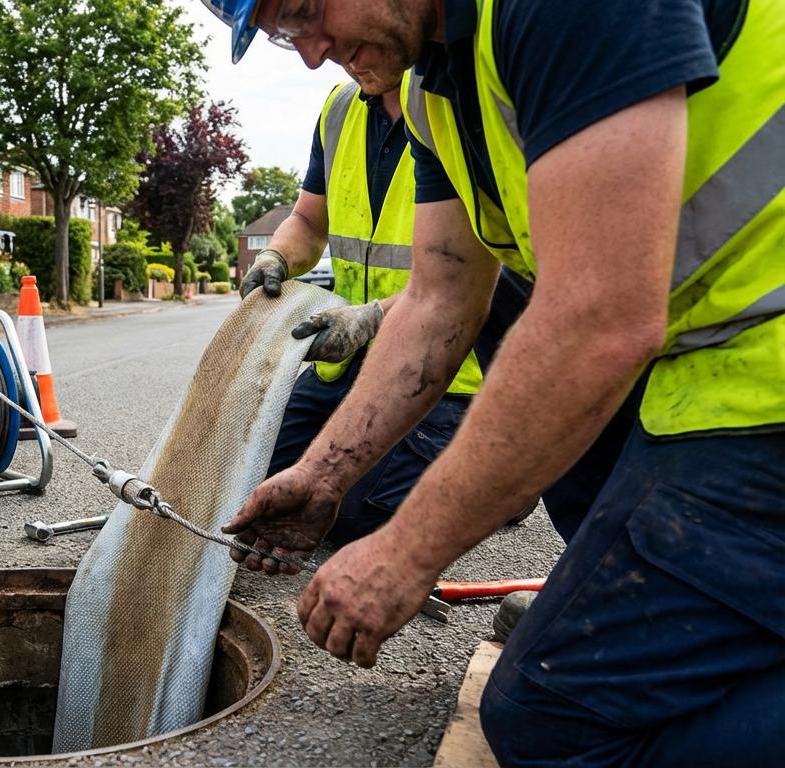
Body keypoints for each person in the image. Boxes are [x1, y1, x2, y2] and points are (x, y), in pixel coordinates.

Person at [202, 0, 785, 764]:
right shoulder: (435, 82)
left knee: (550, 723)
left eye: (306, 11)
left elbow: (598, 319)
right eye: (282, 36)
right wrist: (324, 477)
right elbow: (442, 297)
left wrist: (404, 555)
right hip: (708, 375)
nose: (311, 54)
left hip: (758, 386)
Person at [243, 75, 532, 545]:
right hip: (344, 365)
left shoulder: (462, 102)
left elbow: (483, 271)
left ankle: (502, 476)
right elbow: (308, 220)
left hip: (438, 371)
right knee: (261, 486)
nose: (315, 55)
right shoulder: (340, 110)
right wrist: (276, 255)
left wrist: (374, 317)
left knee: (353, 520)